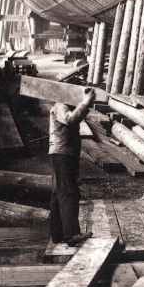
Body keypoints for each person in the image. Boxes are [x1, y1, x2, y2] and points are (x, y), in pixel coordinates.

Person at [48, 87, 95, 247]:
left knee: (59, 193)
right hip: (62, 154)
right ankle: (71, 234)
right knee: (68, 192)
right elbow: (70, 119)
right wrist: (85, 103)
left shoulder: (63, 106)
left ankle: (58, 234)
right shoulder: (61, 106)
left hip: (61, 153)